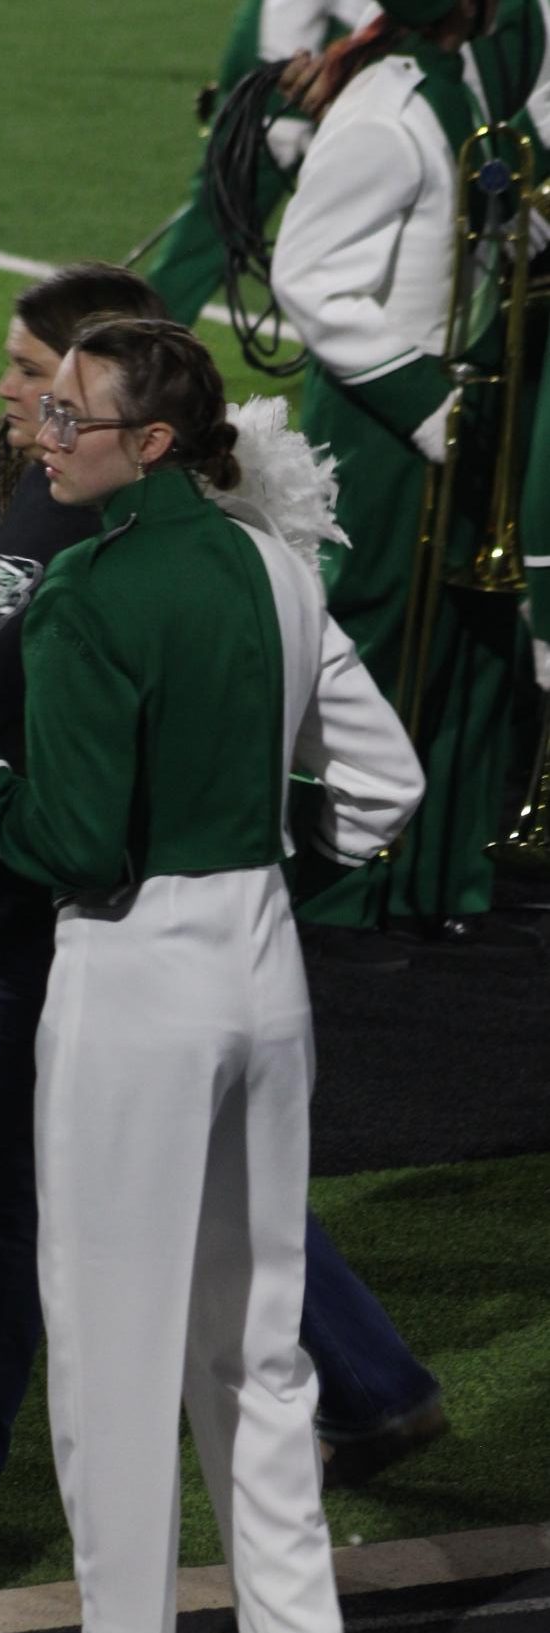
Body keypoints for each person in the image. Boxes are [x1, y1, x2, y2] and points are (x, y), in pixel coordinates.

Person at [0, 316, 424, 1633]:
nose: (40, 435)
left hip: (128, 986)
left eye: (71, 417)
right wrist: (251, 860)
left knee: (114, 1353)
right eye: (45, 410)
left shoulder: (79, 599)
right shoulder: (276, 565)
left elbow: (62, 839)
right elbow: (384, 787)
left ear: (153, 443)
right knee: (256, 1338)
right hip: (263, 973)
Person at [272, 0, 544, 954]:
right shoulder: (387, 114)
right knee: (379, 637)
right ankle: (348, 883)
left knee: (465, 643)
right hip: (393, 421)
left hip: (459, 405)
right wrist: (433, 405)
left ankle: (442, 870)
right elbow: (306, 276)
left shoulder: (455, 85)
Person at [142, 0, 380, 327]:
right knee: (215, 228)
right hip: (291, 65)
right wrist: (279, 104)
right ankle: (140, 348)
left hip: (318, 58)